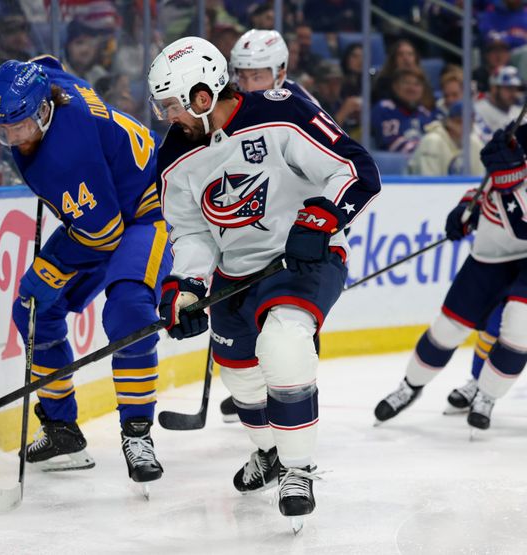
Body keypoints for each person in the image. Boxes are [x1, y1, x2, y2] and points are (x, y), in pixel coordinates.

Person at [148, 36, 380, 526]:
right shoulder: (173, 156)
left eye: (173, 105)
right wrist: (186, 284)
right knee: (240, 374)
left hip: (302, 260)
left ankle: (299, 468)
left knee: (284, 342)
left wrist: (321, 219)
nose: (169, 116)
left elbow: (356, 171)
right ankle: (271, 452)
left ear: (203, 96)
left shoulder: (282, 113)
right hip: (237, 273)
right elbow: (191, 232)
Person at [0, 57, 172, 485]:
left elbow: (103, 238)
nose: (15, 139)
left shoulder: (66, 157)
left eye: (22, 127)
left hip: (149, 210)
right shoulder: (46, 84)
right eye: (3, 130)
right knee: (32, 311)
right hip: (103, 212)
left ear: (44, 112)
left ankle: (138, 434)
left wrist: (46, 275)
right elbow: (47, 62)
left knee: (129, 311)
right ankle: (62, 429)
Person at [374, 122, 527, 432]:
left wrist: (510, 184)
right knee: (448, 328)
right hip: (489, 256)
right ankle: (410, 386)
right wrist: (463, 211)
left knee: (519, 326)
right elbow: (483, 187)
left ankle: (486, 396)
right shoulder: (517, 140)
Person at [219, 28, 319, 422]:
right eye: (240, 75)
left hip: (293, 231)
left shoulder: (298, 106)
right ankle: (260, 383)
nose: (246, 84)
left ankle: (293, 394)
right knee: (247, 317)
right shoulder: (234, 104)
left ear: (280, 72)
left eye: (256, 75)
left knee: (291, 323)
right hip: (251, 228)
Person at [406, 101, 484, 176]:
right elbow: (429, 182)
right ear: (448, 121)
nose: (465, 126)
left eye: (469, 122)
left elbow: (479, 179)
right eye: (459, 121)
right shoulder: (432, 141)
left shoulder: (475, 143)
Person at [371, 68, 437, 153]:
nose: (412, 88)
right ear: (395, 86)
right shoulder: (385, 108)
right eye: (406, 83)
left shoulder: (425, 113)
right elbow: (392, 146)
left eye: (417, 84)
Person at [474, 66, 524, 143]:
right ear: (494, 88)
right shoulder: (477, 110)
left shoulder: (519, 112)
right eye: (509, 88)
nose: (514, 93)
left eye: (516, 89)